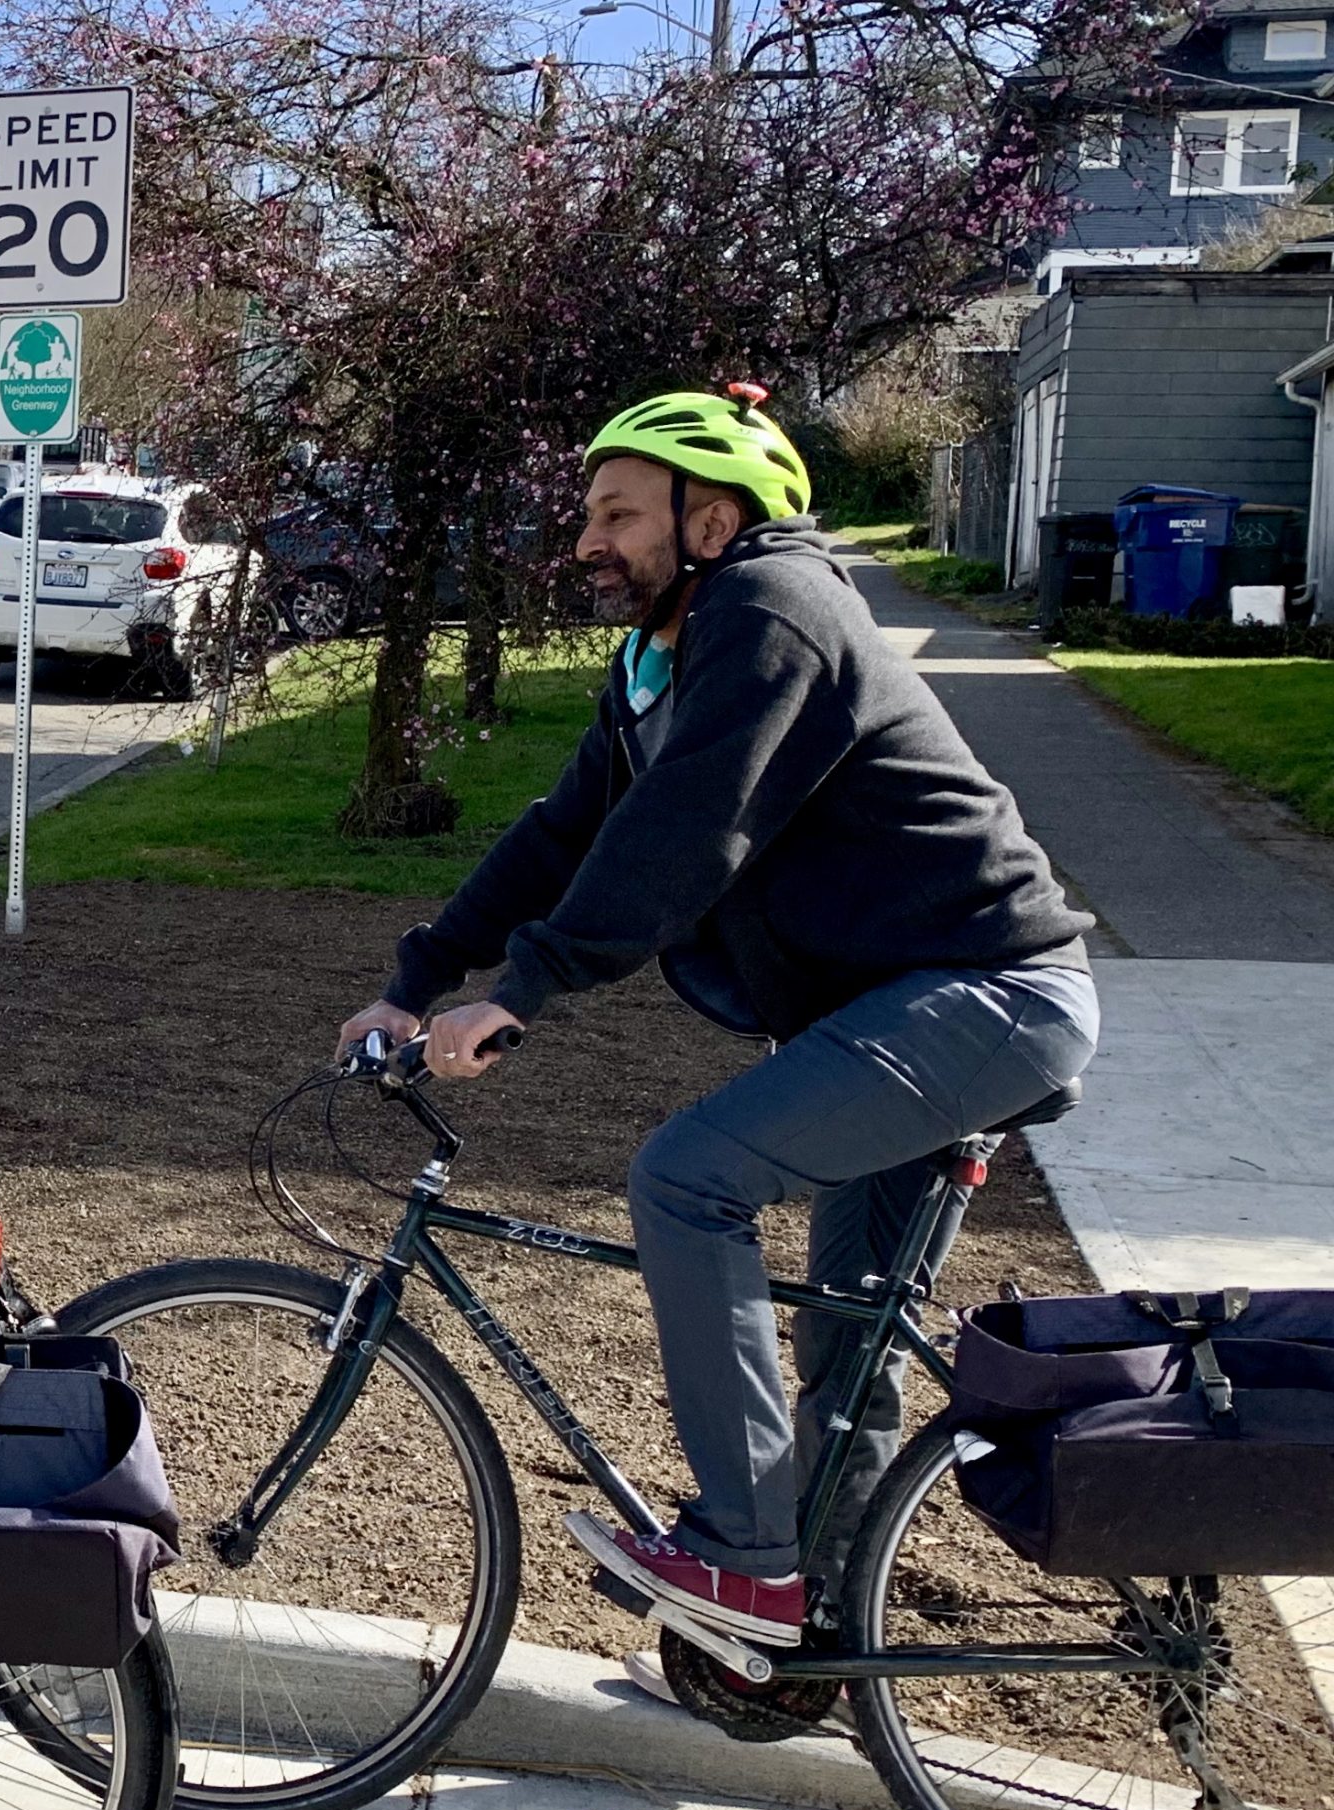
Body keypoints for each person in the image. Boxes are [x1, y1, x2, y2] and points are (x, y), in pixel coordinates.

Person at [338, 386, 1098, 1657]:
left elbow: (689, 829)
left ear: (710, 520)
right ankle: (797, 1653)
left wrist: (520, 989)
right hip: (899, 1009)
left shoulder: (772, 607)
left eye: (617, 514)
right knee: (844, 1346)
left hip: (989, 995)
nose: (588, 542)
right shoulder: (660, 663)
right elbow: (565, 831)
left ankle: (743, 1558)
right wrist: (418, 974)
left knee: (686, 1180)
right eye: (587, 515)